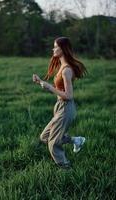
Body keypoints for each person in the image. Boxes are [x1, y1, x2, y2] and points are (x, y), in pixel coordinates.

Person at [32, 37, 87, 169]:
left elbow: (69, 95)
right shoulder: (62, 65)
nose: (53, 49)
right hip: (60, 107)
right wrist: (40, 82)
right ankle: (75, 140)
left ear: (63, 49)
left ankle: (66, 168)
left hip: (66, 108)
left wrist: (50, 88)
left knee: (53, 143)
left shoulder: (67, 70)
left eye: (56, 46)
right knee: (44, 136)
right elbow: (60, 88)